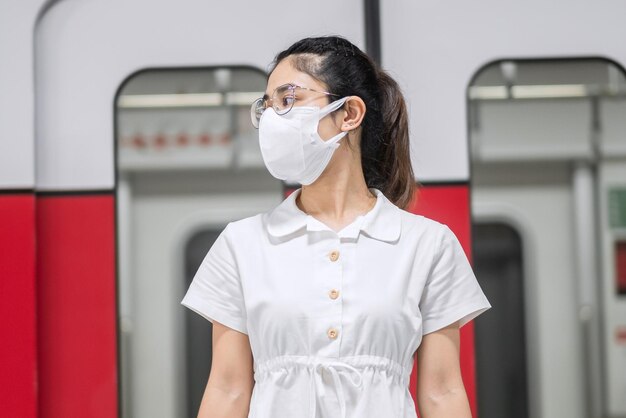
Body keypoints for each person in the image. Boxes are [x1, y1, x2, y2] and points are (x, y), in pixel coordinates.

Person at [181, 35, 491, 418]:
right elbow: (227, 391)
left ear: (349, 114)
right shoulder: (241, 245)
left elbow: (442, 394)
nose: (274, 118)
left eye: (288, 99)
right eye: (268, 105)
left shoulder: (428, 245)